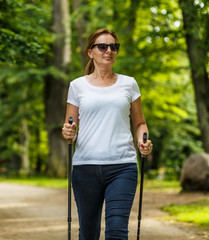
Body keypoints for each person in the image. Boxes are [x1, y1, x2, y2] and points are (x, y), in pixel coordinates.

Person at [62, 28, 153, 240]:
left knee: (117, 231)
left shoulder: (128, 83)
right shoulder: (77, 86)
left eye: (114, 46)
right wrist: (67, 132)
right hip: (85, 168)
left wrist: (143, 141)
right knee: (89, 233)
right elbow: (70, 129)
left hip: (123, 167)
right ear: (90, 52)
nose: (108, 50)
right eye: (102, 46)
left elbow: (140, 123)